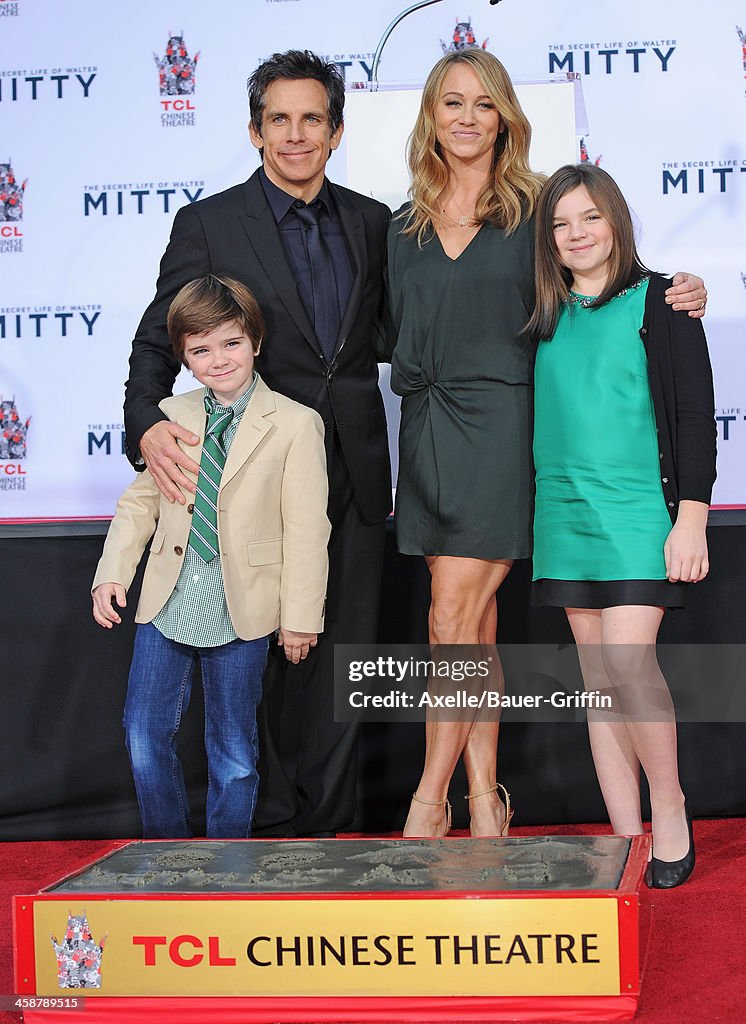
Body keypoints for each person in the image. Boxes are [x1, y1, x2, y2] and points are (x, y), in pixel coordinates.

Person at [384, 47, 708, 839]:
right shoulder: (399, 225)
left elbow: (604, 268)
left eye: (483, 103)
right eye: (451, 102)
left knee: (450, 612)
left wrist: (677, 290)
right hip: (427, 430)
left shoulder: (535, 209)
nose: (466, 118)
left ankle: (429, 801)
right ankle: (486, 798)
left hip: (504, 430)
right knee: (472, 613)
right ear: (430, 114)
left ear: (506, 118)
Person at [123, 51, 391, 837]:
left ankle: (327, 836)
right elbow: (153, 338)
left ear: (336, 132)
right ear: (255, 130)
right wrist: (146, 424)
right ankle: (264, 834)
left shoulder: (376, 223)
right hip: (246, 479)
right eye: (280, 119)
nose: (296, 134)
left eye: (313, 119)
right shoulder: (208, 224)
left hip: (357, 474)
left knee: (341, 665)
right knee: (256, 663)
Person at [526, 163, 716, 887]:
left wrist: (690, 517)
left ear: (616, 222)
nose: (576, 234)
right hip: (563, 516)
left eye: (590, 218)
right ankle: (626, 833)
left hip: (641, 512)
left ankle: (668, 807)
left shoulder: (666, 300)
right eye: (560, 223)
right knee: (598, 681)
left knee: (631, 666)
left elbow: (697, 418)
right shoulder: (539, 313)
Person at [92, 275, 330, 839]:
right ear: (184, 358)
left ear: (255, 341)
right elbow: (139, 504)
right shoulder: (170, 413)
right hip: (168, 600)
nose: (217, 360)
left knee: (234, 752)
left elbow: (306, 530)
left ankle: (226, 869)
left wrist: (300, 618)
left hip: (242, 607)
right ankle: (168, 854)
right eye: (200, 350)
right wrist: (112, 574)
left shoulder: (296, 423)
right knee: (144, 735)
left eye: (230, 343)